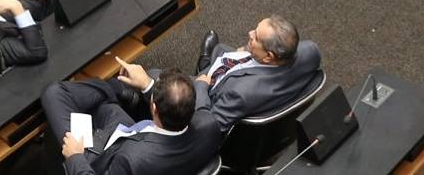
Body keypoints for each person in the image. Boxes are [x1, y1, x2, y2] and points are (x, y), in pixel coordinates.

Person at [109, 16, 320, 127]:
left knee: (154, 76)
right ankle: (208, 63)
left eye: (255, 37)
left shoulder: (241, 93)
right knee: (223, 51)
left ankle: (138, 104)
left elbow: (207, 125)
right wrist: (248, 52)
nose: (249, 33)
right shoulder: (310, 51)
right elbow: (309, 55)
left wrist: (201, 85)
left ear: (270, 57)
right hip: (238, 72)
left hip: (207, 95)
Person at [46, 70, 224, 175]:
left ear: (154, 108)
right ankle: (116, 89)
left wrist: (75, 157)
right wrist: (147, 85)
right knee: (107, 107)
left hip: (102, 159)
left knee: (54, 93)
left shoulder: (130, 160)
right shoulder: (210, 124)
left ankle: (115, 88)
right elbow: (202, 105)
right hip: (136, 136)